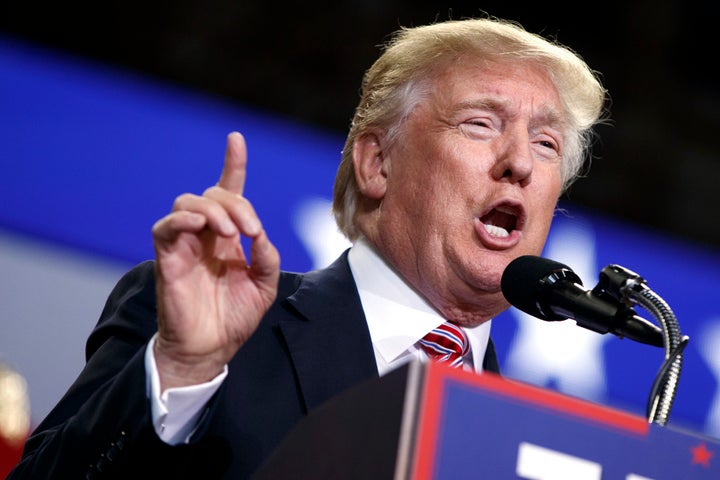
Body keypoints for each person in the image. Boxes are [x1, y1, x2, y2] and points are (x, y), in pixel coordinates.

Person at [8, 15, 606, 479]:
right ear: (378, 163)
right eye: (480, 123)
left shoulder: (530, 442)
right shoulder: (212, 332)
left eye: (547, 144)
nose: (521, 163)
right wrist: (183, 371)